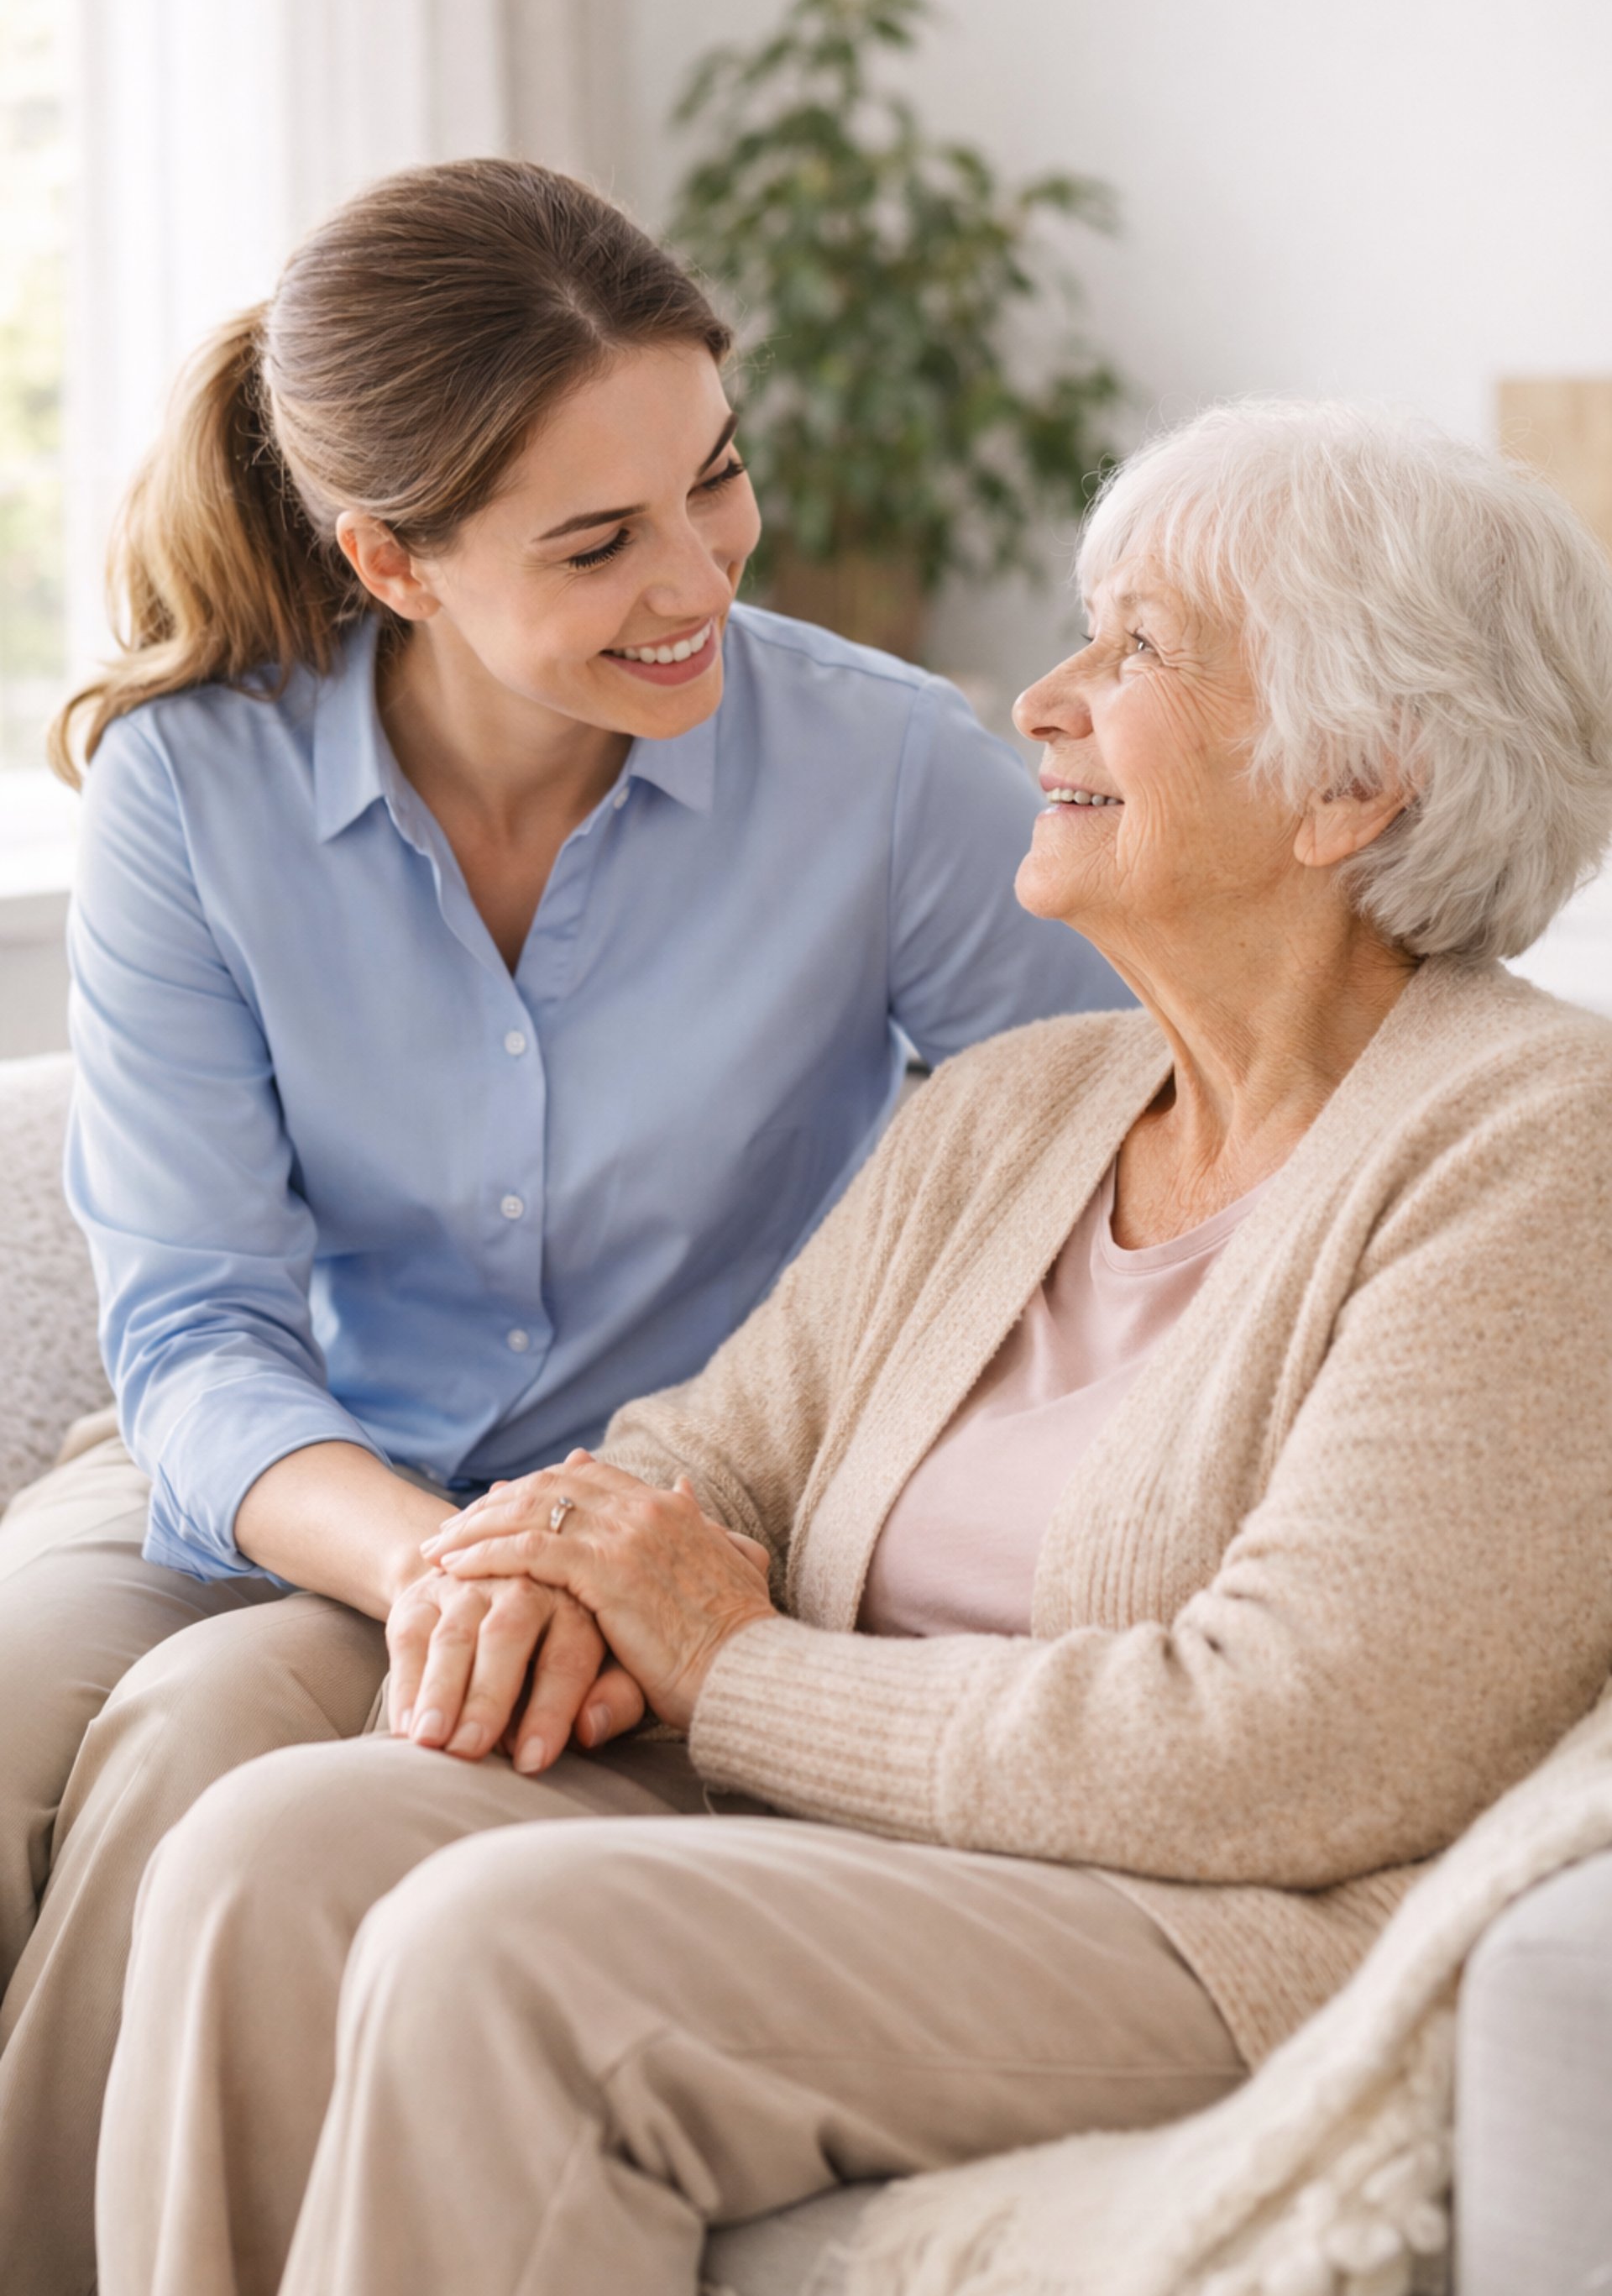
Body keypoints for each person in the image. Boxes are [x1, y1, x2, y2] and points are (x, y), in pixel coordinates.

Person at [96, 399, 1612, 2296]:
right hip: (863, 1831)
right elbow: (715, 1451)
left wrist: (732, 1666)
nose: (1045, 700)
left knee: (504, 1952)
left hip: (1205, 1912)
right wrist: (552, 1568)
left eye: (1137, 650)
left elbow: (1277, 1748)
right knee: (272, 1847)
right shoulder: (1031, 1103)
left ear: (1353, 787)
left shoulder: (1537, 1144)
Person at [0, 160, 1121, 2294]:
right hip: (283, 1473)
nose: (696, 573)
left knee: (197, 1753)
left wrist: (611, 1553)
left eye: (719, 481)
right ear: (388, 562)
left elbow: (1124, 1157)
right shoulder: (194, 789)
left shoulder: (886, 775)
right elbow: (200, 1334)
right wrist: (448, 1558)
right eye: (598, 541)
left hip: (674, 1502)